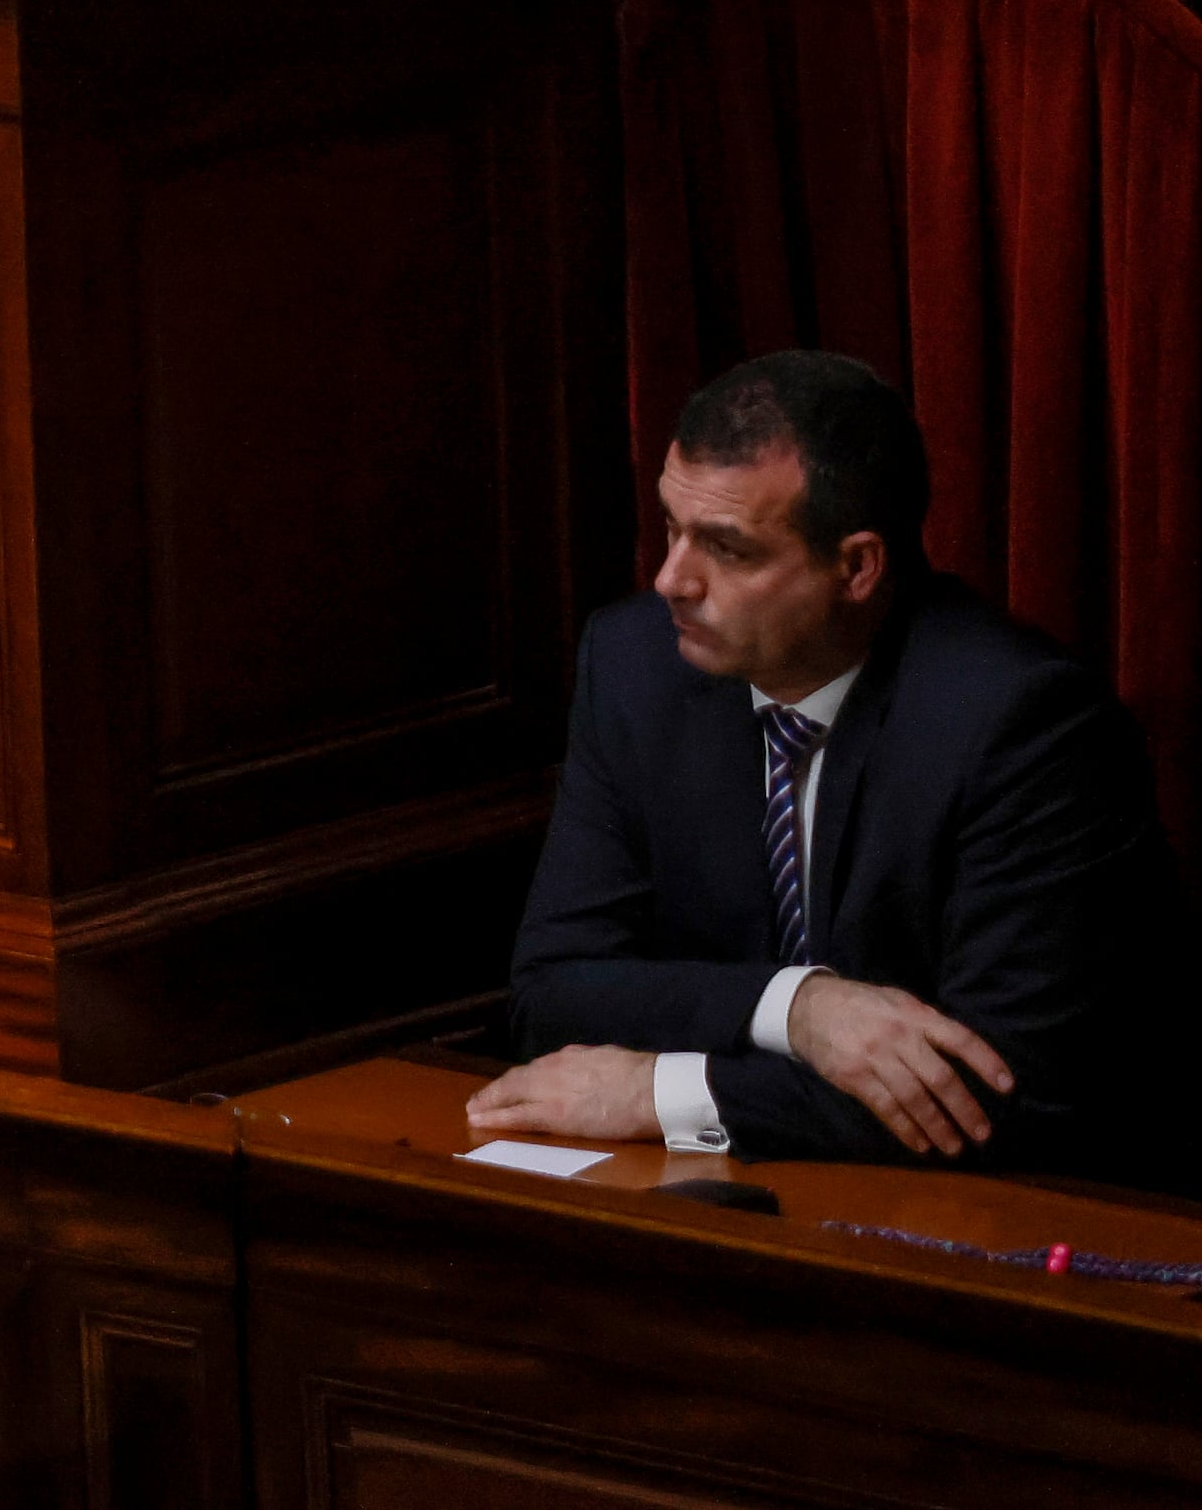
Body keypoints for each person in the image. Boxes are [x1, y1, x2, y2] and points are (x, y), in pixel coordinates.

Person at [473, 352, 1193, 1181]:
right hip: (748, 1201)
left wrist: (666, 1091)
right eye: (672, 527)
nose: (672, 579)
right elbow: (555, 991)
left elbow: (1002, 1097)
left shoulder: (1023, 724)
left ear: (856, 567)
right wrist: (796, 1006)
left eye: (727, 549)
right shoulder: (637, 666)